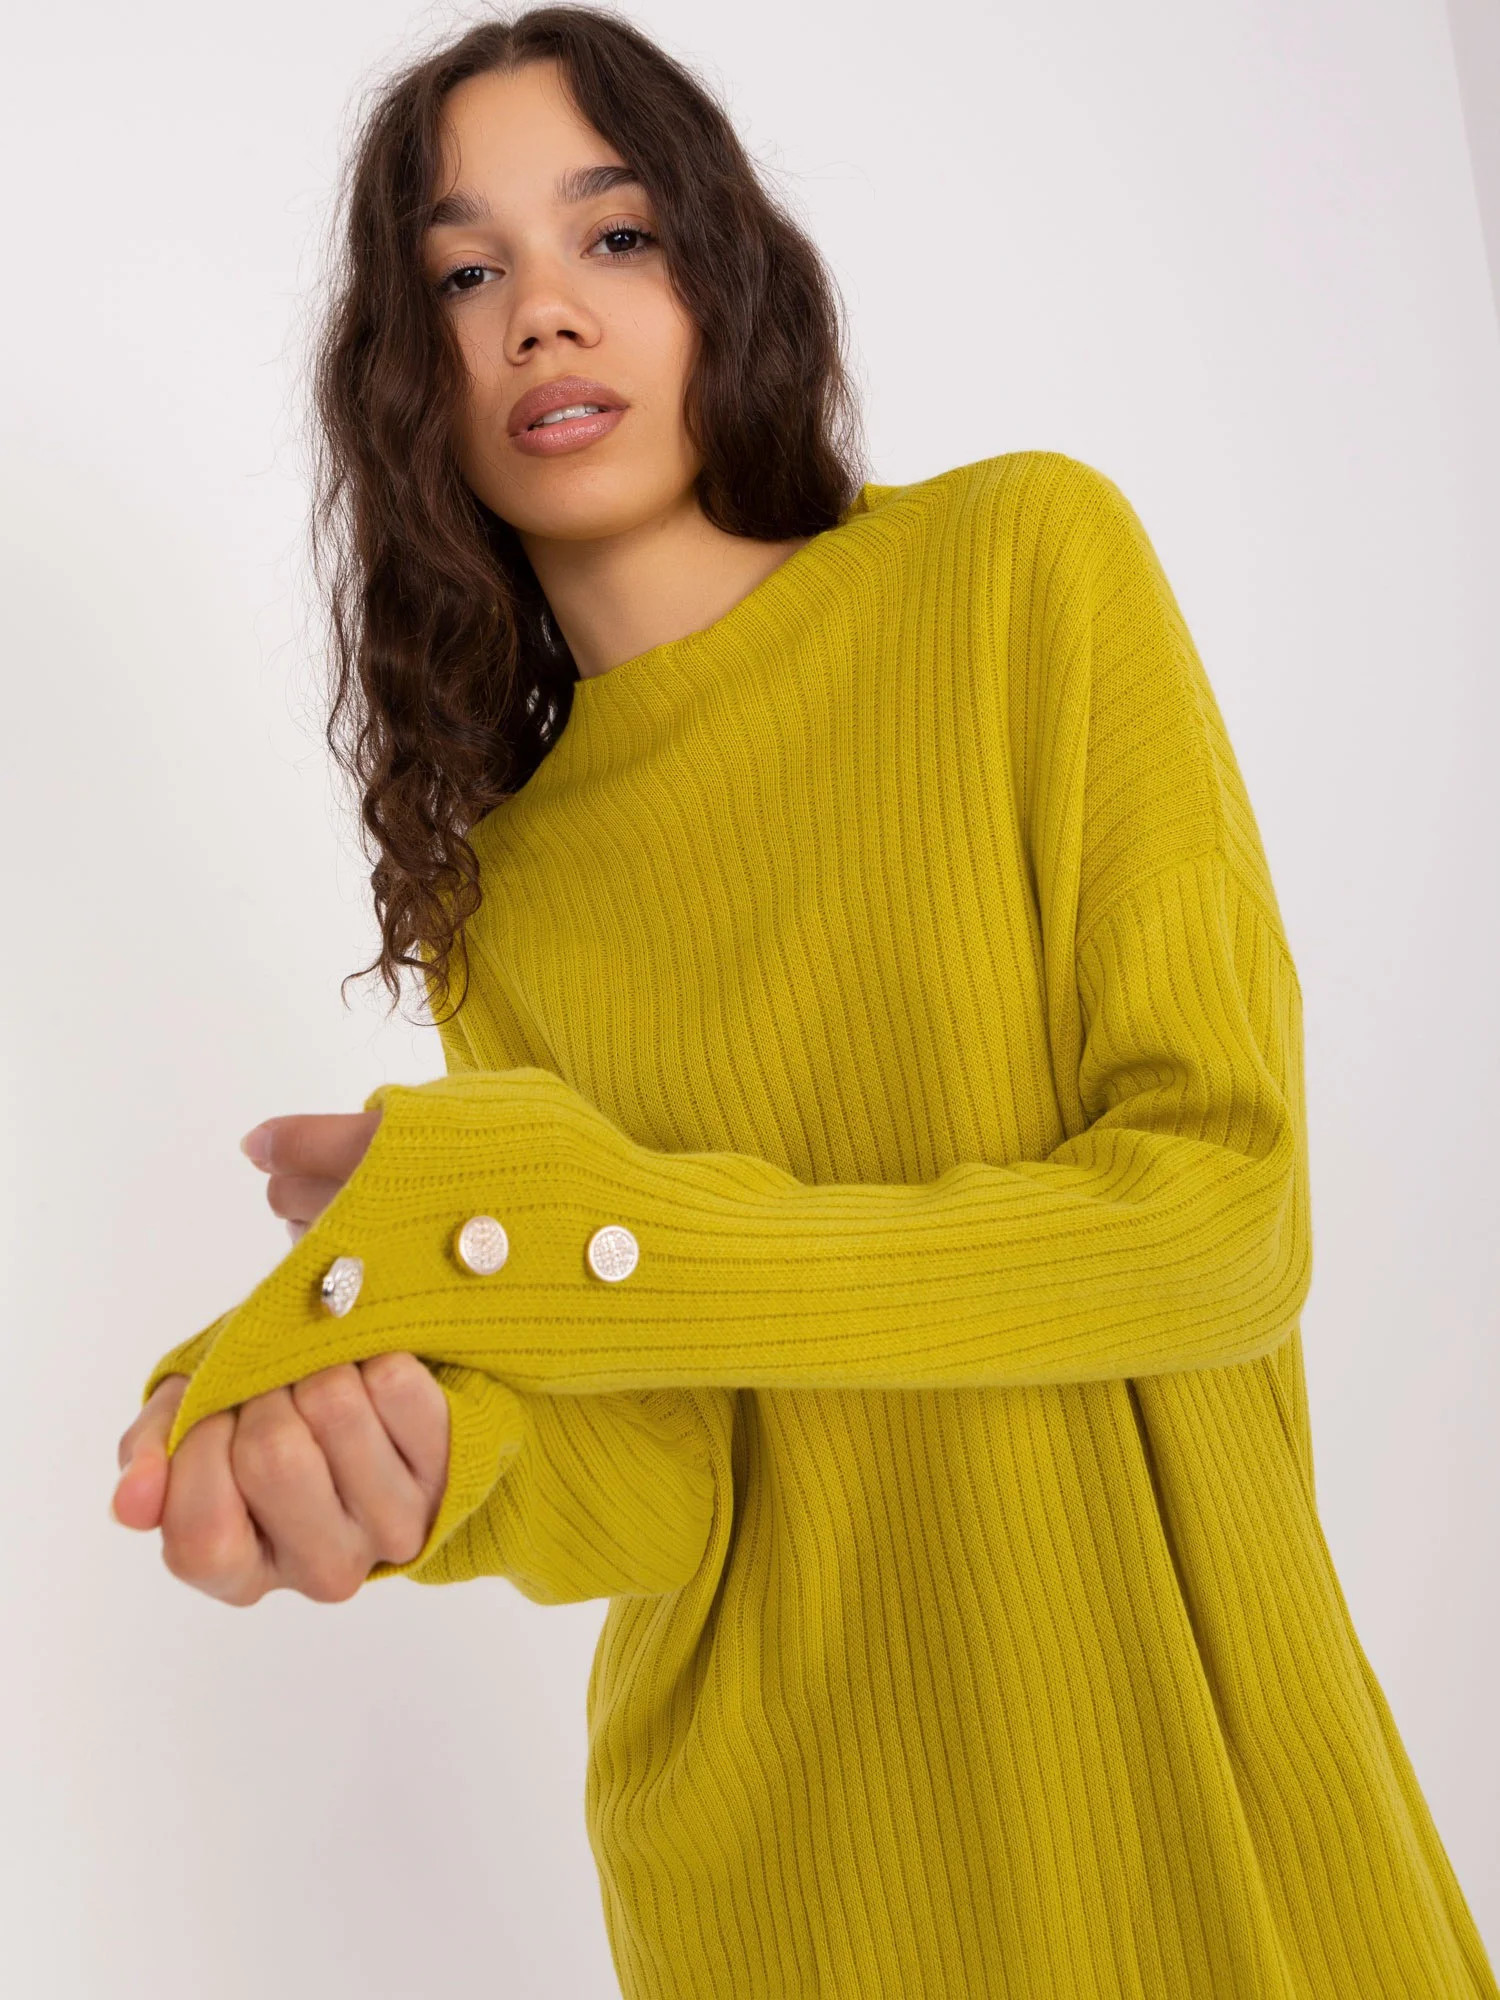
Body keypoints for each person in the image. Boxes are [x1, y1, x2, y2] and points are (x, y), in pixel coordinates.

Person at [110, 8, 1498, 1997]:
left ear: (722, 270)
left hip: (1188, 1807)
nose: (543, 314)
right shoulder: (510, 892)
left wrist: (568, 1234)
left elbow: (1219, 1223)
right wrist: (430, 1458)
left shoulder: (1020, 568)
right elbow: (674, 1459)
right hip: (785, 1884)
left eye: (615, 236)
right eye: (467, 277)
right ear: (407, 382)